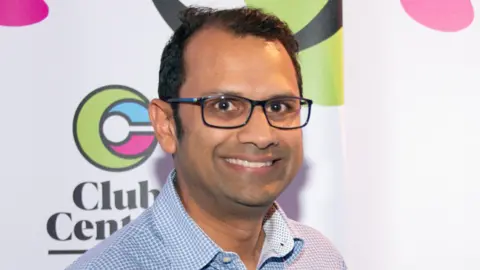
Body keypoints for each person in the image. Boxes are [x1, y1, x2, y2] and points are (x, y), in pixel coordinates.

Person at [67, 6, 347, 270]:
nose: (262, 135)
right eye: (224, 106)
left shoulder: (319, 258)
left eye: (278, 107)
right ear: (166, 125)